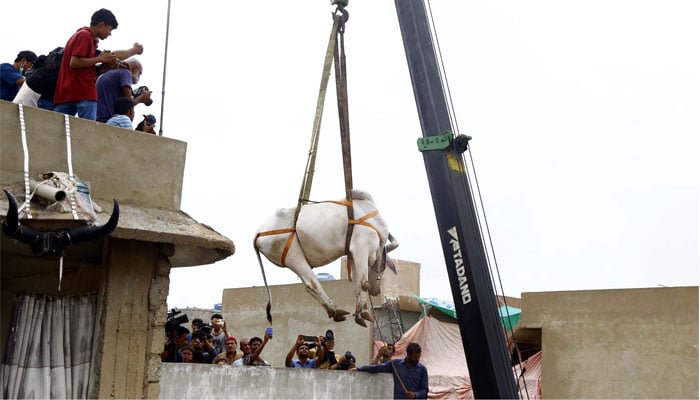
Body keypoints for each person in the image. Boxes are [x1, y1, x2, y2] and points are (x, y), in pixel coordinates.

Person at [53, 8, 143, 120]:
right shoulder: (85, 35)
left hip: (68, 93)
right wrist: (100, 58)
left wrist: (105, 66)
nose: (109, 34)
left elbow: (85, 67)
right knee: (89, 131)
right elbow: (74, 62)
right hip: (83, 93)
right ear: (102, 24)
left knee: (55, 126)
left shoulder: (83, 37)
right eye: (110, 29)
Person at [355, 342, 429, 400]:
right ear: (408, 354)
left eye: (418, 356)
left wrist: (415, 395)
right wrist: (359, 368)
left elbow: (425, 391)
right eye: (415, 357)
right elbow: (377, 367)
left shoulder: (422, 370)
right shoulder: (395, 364)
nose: (417, 359)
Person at [96, 57, 151, 122]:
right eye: (140, 73)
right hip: (107, 119)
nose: (139, 76)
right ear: (134, 67)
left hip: (97, 116)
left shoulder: (109, 73)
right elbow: (128, 104)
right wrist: (142, 98)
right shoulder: (126, 72)